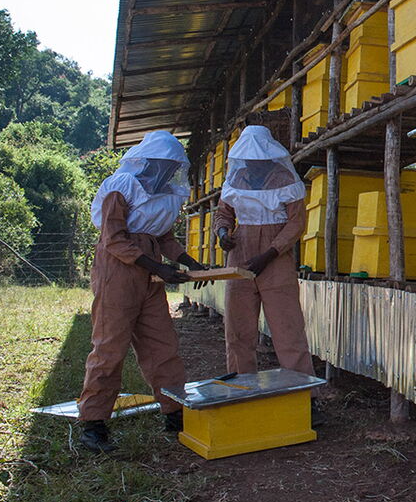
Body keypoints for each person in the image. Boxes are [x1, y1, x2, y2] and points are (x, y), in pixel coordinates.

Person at [78, 130, 208, 452]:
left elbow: (163, 238)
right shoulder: (121, 187)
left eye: (172, 167)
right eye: (164, 165)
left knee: (162, 345)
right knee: (109, 347)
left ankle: (174, 412)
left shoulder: (166, 195)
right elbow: (114, 239)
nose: (167, 172)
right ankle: (93, 423)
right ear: (148, 162)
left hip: (149, 278)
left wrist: (191, 263)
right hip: (117, 273)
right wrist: (159, 268)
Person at [213, 126, 318, 419]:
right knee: (238, 330)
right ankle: (241, 394)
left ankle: (304, 399)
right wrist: (223, 233)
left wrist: (270, 253)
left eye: (257, 160)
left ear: (269, 157)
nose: (253, 164)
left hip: (276, 256)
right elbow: (223, 213)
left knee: (288, 330)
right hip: (240, 253)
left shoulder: (285, 178)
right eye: (249, 160)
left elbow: (296, 224)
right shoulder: (236, 177)